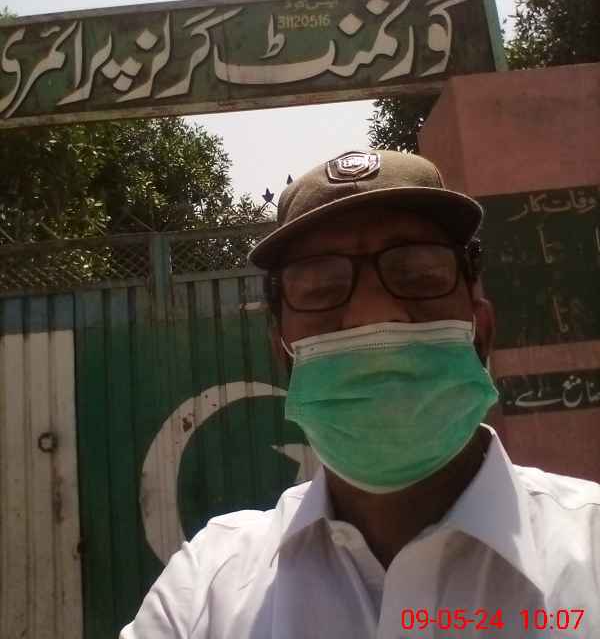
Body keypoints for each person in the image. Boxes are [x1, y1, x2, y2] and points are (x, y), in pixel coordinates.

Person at [121, 150, 600, 638]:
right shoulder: (206, 590)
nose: (373, 315)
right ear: (284, 352)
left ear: (481, 332)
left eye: (417, 275)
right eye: (321, 286)